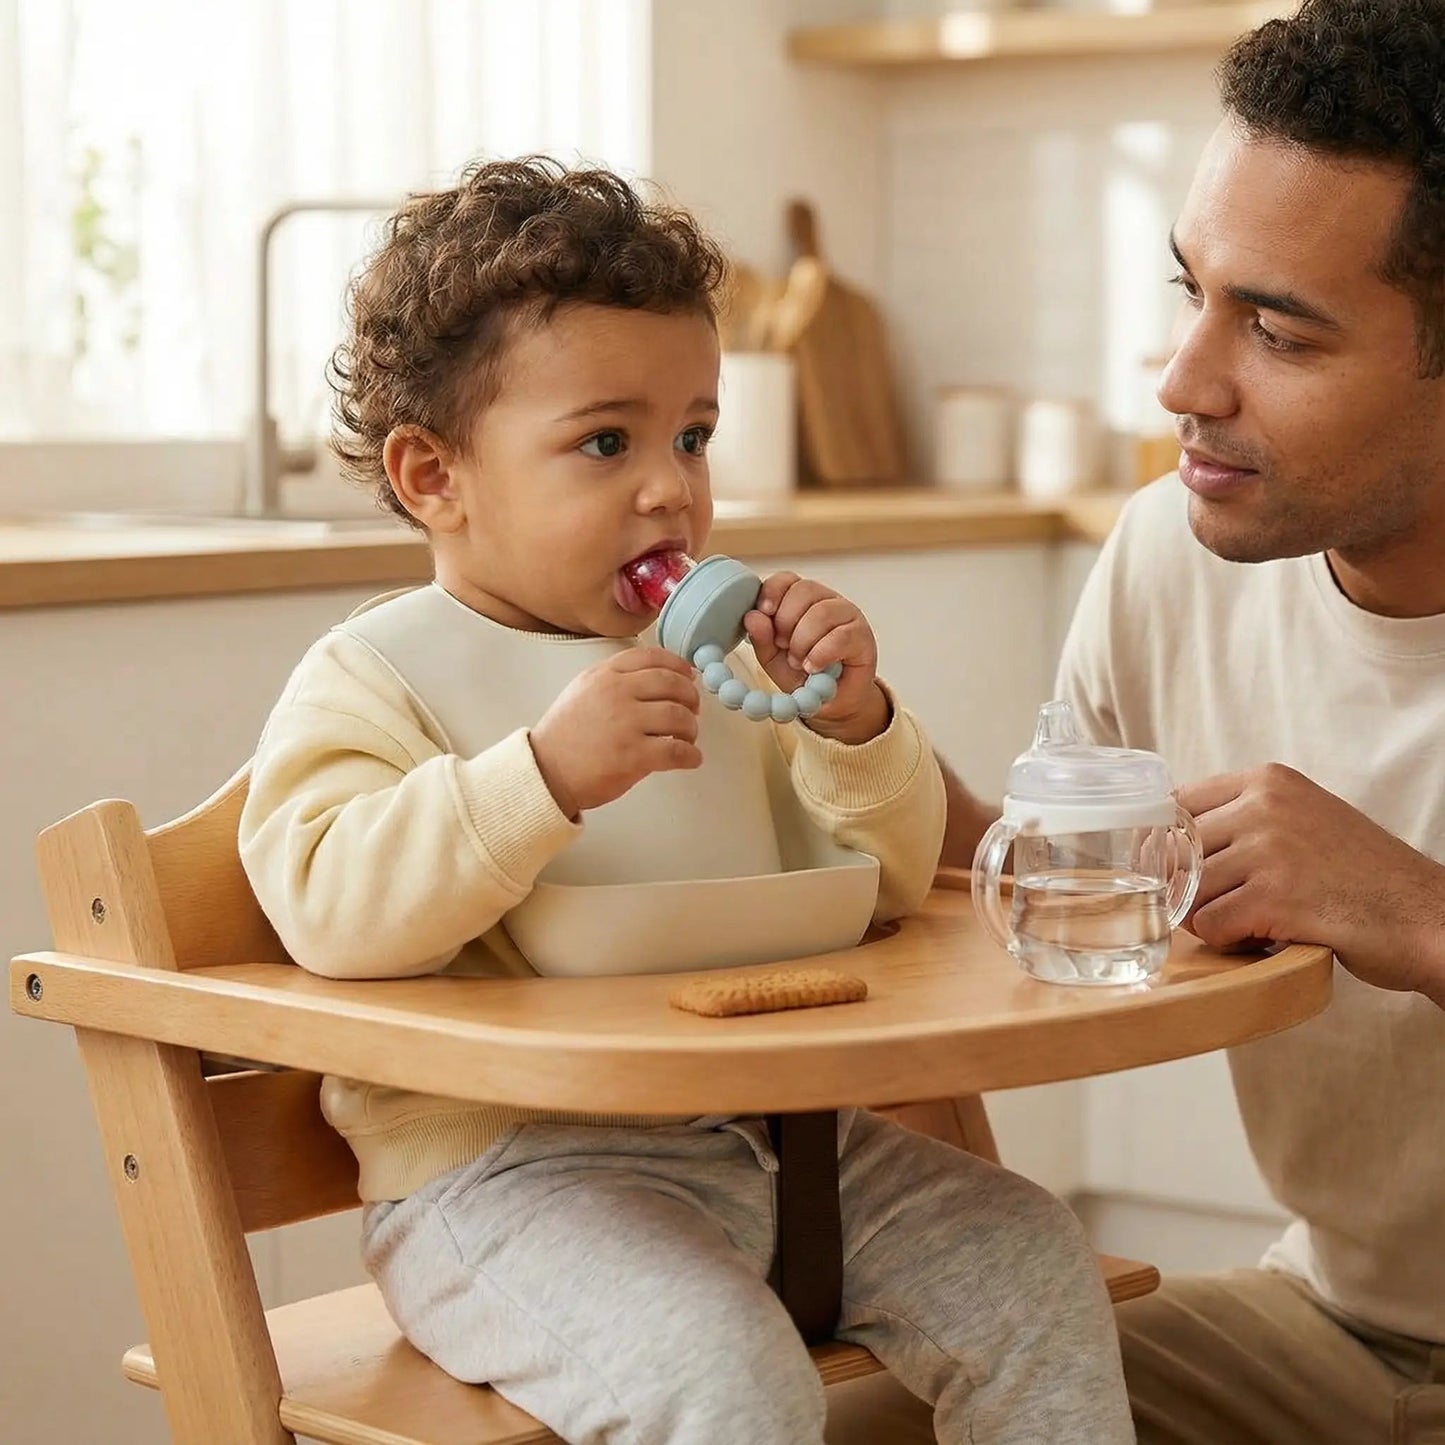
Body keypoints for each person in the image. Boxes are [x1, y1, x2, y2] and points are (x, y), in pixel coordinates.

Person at [238, 158, 1132, 1445]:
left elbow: (878, 889)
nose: (671, 486)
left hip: (778, 1148)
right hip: (506, 1186)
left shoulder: (721, 669)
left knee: (1035, 1257)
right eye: (607, 442)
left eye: (692, 436)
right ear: (434, 476)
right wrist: (537, 778)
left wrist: (850, 725)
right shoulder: (371, 677)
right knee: (719, 1372)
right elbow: (330, 907)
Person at [936, 1, 1445, 1440]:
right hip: (1330, 1323)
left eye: (1276, 329)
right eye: (1192, 293)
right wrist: (860, 761)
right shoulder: (1171, 550)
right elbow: (1064, 886)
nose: (1183, 383)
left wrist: (1406, 908)